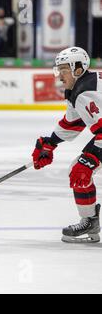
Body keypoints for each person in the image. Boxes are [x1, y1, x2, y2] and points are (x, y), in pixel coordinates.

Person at [32, 47, 101, 243]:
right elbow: (73, 123)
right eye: (58, 69)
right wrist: (50, 143)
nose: (59, 76)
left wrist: (92, 158)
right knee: (79, 168)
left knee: (82, 169)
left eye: (63, 69)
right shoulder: (79, 88)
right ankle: (90, 220)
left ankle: (90, 220)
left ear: (78, 68)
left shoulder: (86, 91)